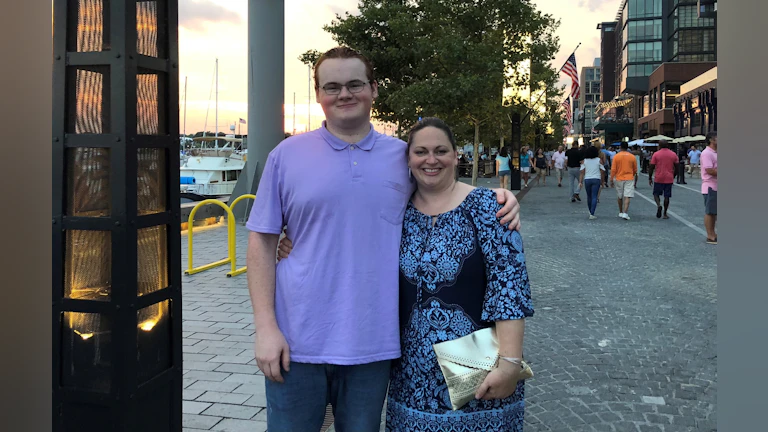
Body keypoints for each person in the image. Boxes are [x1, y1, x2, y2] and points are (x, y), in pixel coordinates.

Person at [244, 47, 521, 432]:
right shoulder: (285, 156)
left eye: (355, 84)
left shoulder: (400, 157)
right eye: (332, 86)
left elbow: (439, 186)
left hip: (374, 346)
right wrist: (265, 328)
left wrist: (493, 198)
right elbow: (260, 242)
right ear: (319, 94)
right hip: (296, 340)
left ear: (373, 89)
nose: (344, 94)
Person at [648, 140, 679, 219]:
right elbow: (677, 167)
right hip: (669, 177)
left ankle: (659, 205)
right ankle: (665, 213)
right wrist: (673, 175)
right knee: (667, 196)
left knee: (656, 194)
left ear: (659, 145)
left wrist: (650, 177)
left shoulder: (656, 154)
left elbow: (651, 166)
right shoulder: (673, 154)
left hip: (659, 177)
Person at [610, 142, 638, 220]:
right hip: (629, 177)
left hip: (619, 177)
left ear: (620, 147)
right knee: (627, 195)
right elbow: (635, 169)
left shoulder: (616, 157)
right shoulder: (632, 157)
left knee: (619, 195)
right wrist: (633, 174)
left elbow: (613, 169)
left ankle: (621, 211)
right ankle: (625, 212)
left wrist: (611, 179)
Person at [578, 145, 605, 219]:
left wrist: (580, 182)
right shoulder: (599, 160)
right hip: (596, 179)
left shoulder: (585, 161)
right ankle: (592, 213)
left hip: (587, 179)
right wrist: (603, 181)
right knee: (594, 196)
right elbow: (602, 171)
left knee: (589, 196)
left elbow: (582, 172)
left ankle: (590, 211)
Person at [700, 132, 718, 244]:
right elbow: (709, 170)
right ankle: (710, 235)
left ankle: (713, 233)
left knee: (714, 212)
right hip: (710, 186)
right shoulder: (707, 153)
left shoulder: (715, 153)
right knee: (710, 212)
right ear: (712, 140)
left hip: (715, 186)